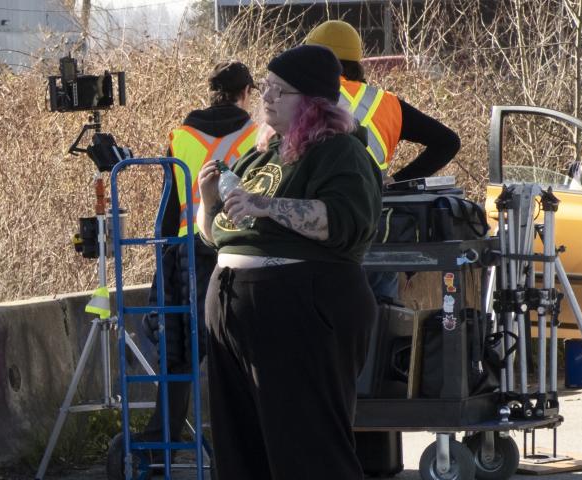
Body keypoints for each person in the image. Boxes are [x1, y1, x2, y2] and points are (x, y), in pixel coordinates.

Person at [194, 45, 381, 480]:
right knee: (241, 450)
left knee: (307, 450)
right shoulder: (262, 153)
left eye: (281, 91)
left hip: (299, 309)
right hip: (235, 310)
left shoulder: (339, 152)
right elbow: (214, 234)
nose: (267, 98)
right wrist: (209, 200)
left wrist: (265, 206)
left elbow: (342, 221)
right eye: (266, 88)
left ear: (313, 102)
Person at [141, 61, 259, 450]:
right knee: (241, 347)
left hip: (182, 250)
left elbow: (170, 206)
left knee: (179, 351)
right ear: (246, 92)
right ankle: (245, 442)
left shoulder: (181, 136)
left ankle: (162, 442)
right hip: (233, 248)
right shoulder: (257, 136)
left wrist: (162, 262)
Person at [303, 20, 461, 182]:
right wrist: (398, 181)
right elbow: (448, 142)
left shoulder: (301, 95)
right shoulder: (387, 102)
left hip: (317, 201)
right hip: (373, 204)